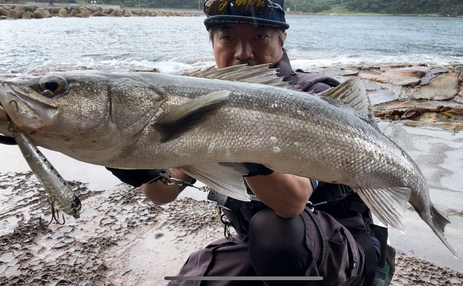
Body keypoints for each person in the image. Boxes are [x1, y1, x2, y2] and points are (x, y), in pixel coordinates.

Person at [106, 0, 396, 285]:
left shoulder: (314, 98)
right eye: (228, 38)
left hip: (339, 249)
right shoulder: (200, 104)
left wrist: (243, 136)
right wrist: (132, 162)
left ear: (282, 39)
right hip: (256, 246)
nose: (242, 53)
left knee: (275, 233)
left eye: (259, 37)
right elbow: (162, 193)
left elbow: (291, 202)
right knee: (190, 280)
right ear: (213, 43)